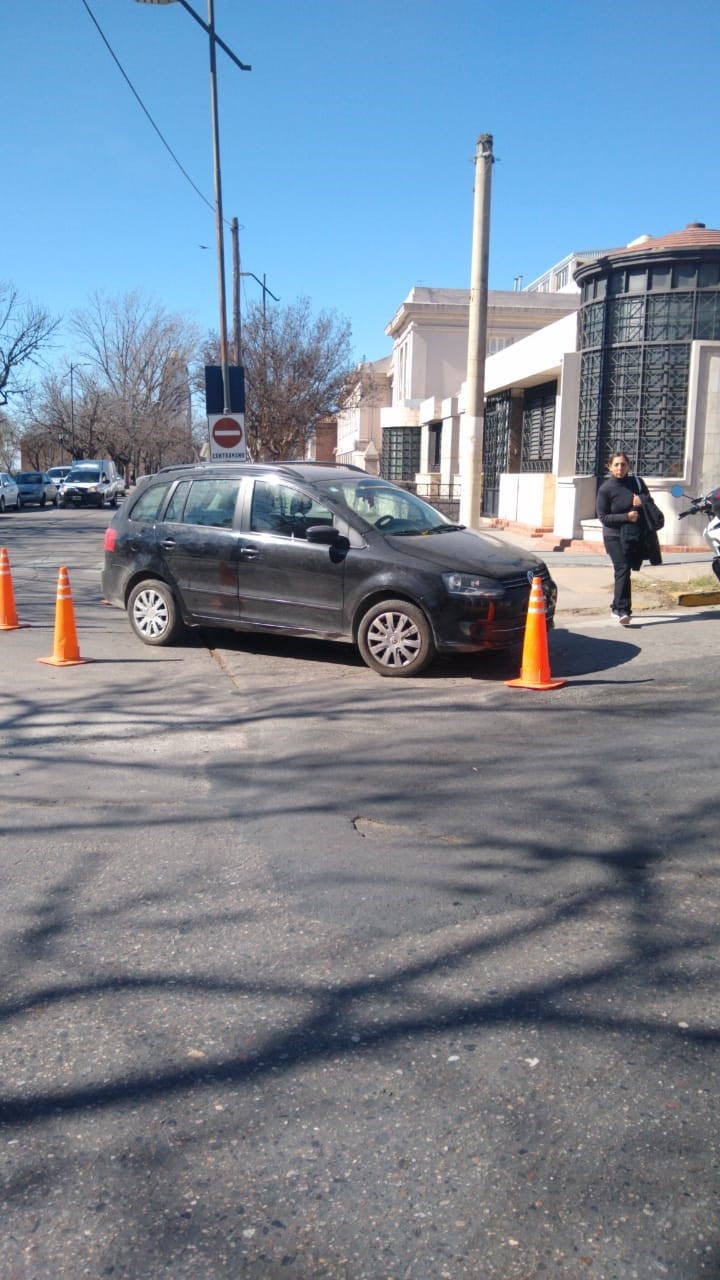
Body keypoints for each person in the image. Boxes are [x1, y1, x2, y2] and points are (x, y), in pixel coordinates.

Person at [596, 451, 654, 625]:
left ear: (628, 466)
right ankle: (623, 610)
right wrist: (626, 517)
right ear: (610, 467)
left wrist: (641, 502)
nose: (620, 468)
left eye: (623, 464)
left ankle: (616, 606)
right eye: (616, 465)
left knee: (626, 569)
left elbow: (650, 503)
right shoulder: (606, 488)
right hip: (613, 535)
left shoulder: (637, 483)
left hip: (632, 534)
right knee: (622, 568)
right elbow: (603, 517)